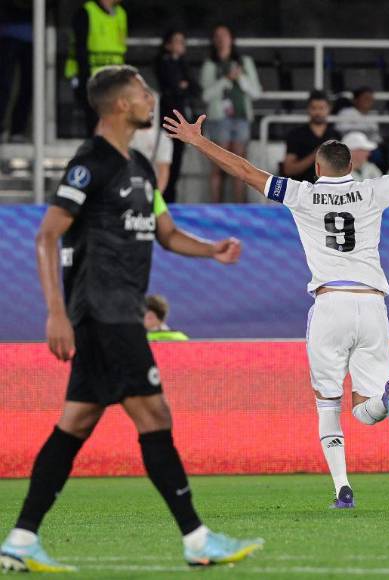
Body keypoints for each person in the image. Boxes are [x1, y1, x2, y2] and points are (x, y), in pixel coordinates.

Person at [164, 102, 389, 509]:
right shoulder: (373, 191)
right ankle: (385, 399)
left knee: (329, 404)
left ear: (318, 170)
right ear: (352, 168)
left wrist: (199, 141)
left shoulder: (302, 194)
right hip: (372, 304)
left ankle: (342, 488)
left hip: (330, 302)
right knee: (364, 409)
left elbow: (246, 172)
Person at [0, 66, 261, 573]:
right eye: (142, 94)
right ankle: (197, 539)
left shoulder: (140, 167)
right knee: (155, 415)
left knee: (75, 424)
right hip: (103, 313)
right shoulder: (90, 164)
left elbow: (165, 234)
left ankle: (21, 539)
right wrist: (56, 312)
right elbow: (46, 236)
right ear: (121, 105)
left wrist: (213, 251)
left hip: (114, 313)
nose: (150, 100)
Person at [200, 24, 261, 203]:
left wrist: (240, 77)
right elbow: (206, 95)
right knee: (218, 165)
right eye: (217, 36)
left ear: (231, 38)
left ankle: (239, 209)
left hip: (241, 119)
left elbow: (256, 92)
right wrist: (225, 80)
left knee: (240, 165)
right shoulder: (210, 64)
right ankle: (216, 208)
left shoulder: (245, 62)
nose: (221, 39)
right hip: (219, 119)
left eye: (224, 35)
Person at [64, 0, 128, 136]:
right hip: (92, 77)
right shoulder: (87, 12)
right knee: (95, 123)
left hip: (114, 79)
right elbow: (80, 48)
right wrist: (84, 77)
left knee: (113, 123)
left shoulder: (121, 14)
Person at [155, 29, 199, 203]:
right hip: (167, 120)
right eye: (177, 41)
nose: (181, 45)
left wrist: (184, 86)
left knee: (177, 163)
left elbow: (195, 88)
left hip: (182, 121)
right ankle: (163, 200)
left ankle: (171, 201)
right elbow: (172, 87)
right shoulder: (162, 62)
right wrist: (182, 86)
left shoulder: (183, 64)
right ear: (168, 44)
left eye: (183, 41)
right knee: (165, 162)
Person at [283, 90, 341, 183]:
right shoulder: (296, 134)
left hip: (328, 191)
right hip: (301, 189)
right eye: (314, 108)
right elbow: (288, 169)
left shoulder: (335, 135)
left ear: (329, 109)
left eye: (321, 108)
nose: (317, 112)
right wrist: (316, 154)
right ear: (308, 109)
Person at [129, 89, 174, 192]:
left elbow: (163, 171)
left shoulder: (161, 137)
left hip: (149, 190)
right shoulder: (125, 133)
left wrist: (156, 196)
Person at [0, 0, 32, 142]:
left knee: (28, 86)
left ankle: (17, 130)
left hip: (33, 35)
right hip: (8, 34)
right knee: (4, 85)